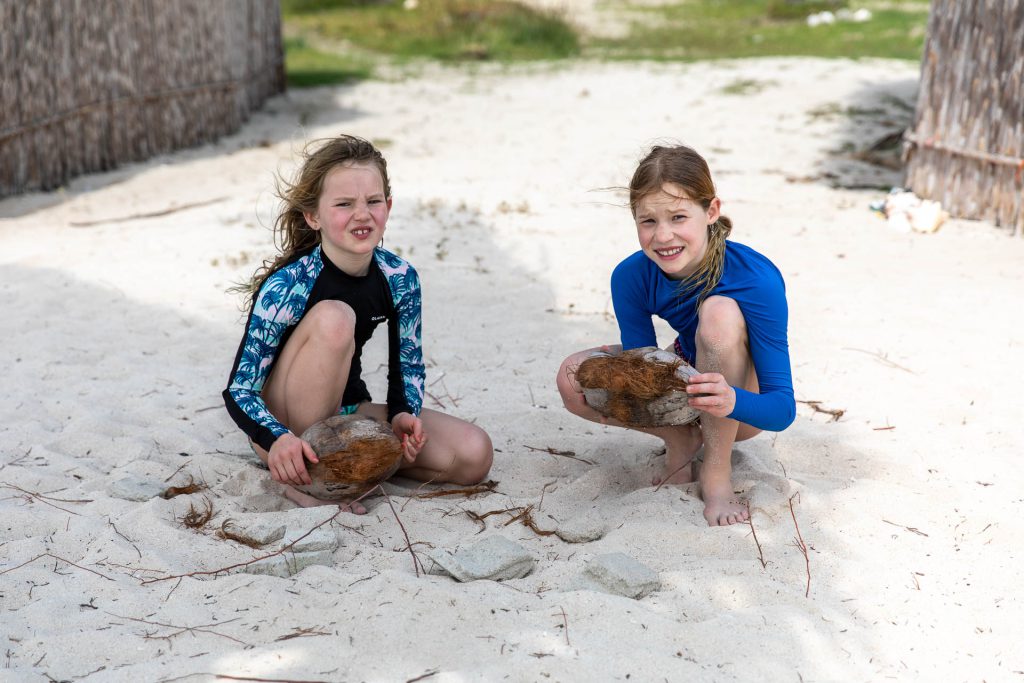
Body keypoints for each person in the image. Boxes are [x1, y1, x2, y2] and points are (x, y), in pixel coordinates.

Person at [223, 135, 493, 512]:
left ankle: (351, 468)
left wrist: (403, 414)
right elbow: (240, 390)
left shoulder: (399, 276)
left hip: (347, 411)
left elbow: (408, 365)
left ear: (389, 206)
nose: (362, 214)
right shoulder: (289, 284)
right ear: (313, 216)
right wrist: (277, 439)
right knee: (336, 317)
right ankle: (310, 477)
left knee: (472, 454)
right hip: (283, 427)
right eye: (344, 204)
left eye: (373, 201)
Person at [556, 144, 795, 526]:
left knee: (719, 312)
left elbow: (783, 409)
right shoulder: (630, 276)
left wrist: (730, 398)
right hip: (688, 381)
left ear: (711, 211)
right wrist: (626, 374)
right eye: (648, 221)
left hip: (739, 405)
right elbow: (642, 372)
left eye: (679, 217)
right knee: (572, 376)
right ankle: (678, 440)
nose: (663, 236)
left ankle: (717, 474)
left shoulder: (756, 279)